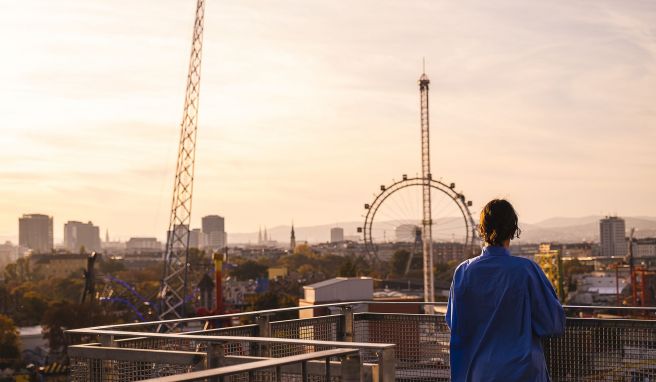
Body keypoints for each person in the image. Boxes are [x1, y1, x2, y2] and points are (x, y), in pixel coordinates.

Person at [446, 199, 565, 382]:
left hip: (478, 371)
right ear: (513, 229)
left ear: (481, 229)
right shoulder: (526, 270)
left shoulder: (464, 272)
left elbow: (454, 322)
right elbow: (552, 324)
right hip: (522, 370)